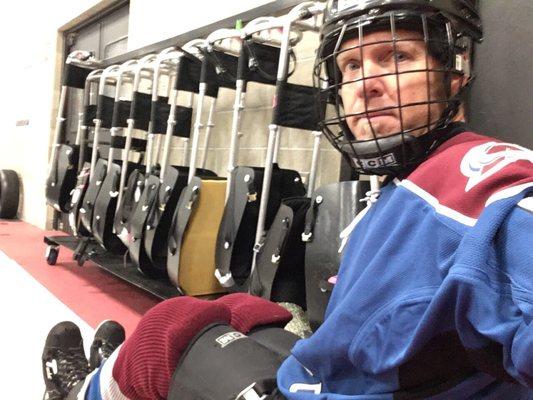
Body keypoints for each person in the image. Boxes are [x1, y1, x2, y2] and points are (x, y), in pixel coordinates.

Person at [41, 0, 533, 399]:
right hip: (350, 376)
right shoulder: (407, 183)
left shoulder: (488, 181)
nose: (366, 85)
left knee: (167, 330)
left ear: (454, 75)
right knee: (245, 311)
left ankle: (80, 392)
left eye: (396, 58)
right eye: (351, 66)